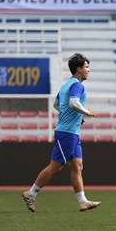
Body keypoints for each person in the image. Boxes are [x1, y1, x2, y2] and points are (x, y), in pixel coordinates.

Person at [22, 53, 101, 212]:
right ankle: (31, 193)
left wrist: (76, 116)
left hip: (72, 132)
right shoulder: (77, 85)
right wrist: (87, 112)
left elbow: (57, 104)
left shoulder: (66, 85)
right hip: (67, 133)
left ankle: (82, 201)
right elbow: (73, 103)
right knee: (56, 167)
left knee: (77, 167)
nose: (88, 70)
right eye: (86, 67)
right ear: (79, 69)